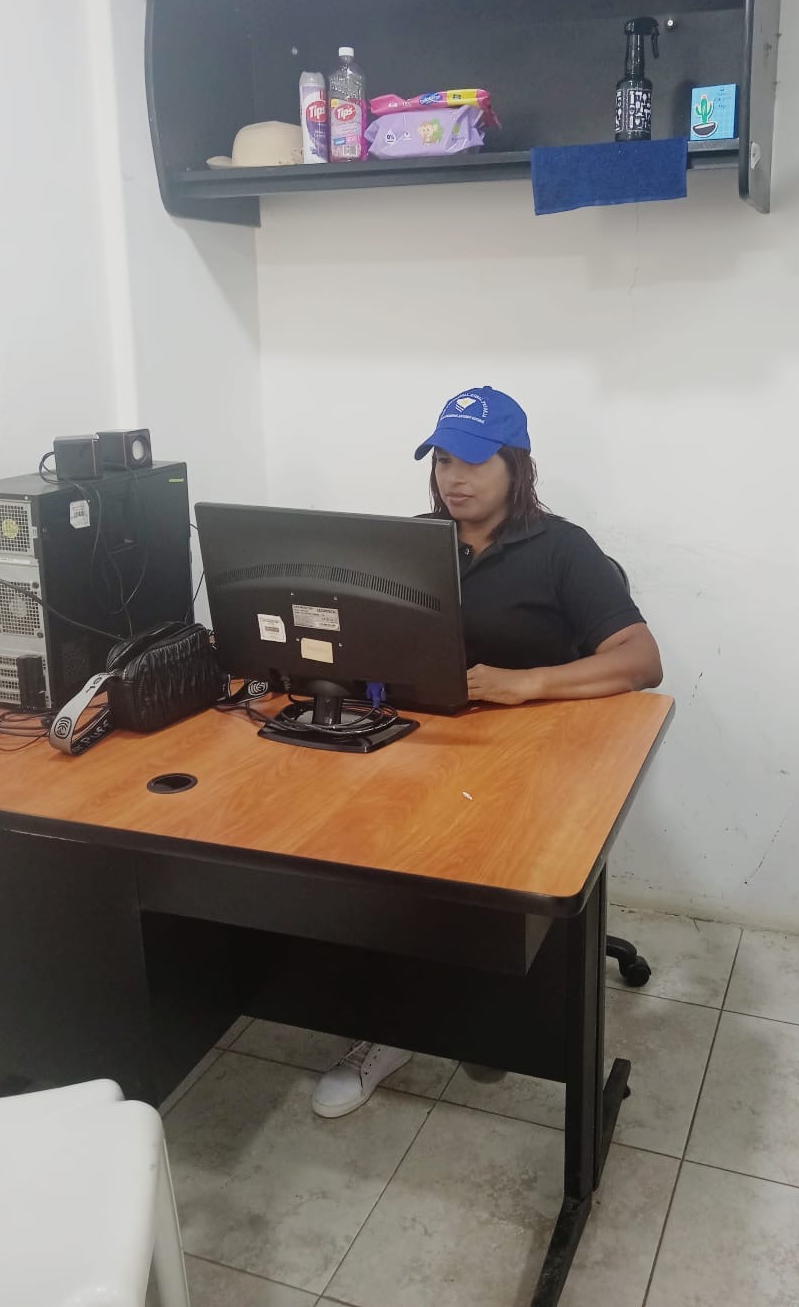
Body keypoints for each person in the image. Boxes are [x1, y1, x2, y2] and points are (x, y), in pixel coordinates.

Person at [311, 386, 663, 1118]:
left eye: (472, 461)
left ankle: (491, 1016)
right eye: (443, 460)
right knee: (347, 853)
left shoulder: (561, 548)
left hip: (533, 766)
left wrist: (525, 683)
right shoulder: (409, 544)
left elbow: (640, 659)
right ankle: (389, 1027)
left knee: (479, 884)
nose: (454, 477)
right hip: (423, 749)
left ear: (516, 466)